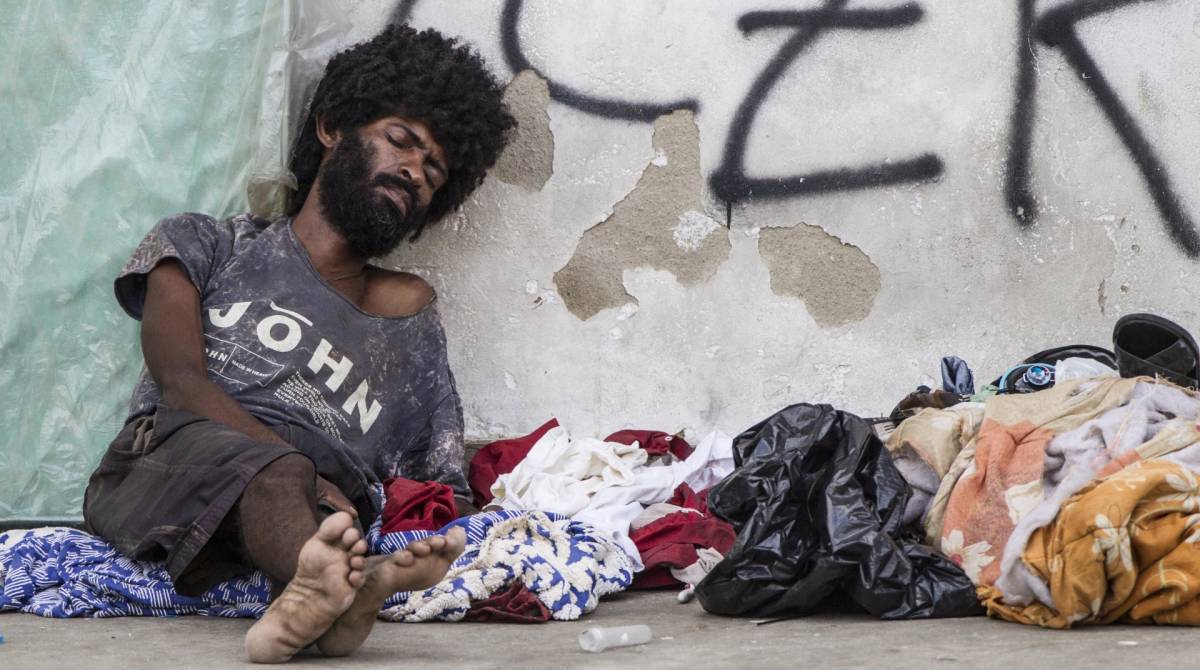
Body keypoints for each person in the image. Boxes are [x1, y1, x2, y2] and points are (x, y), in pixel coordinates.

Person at [81, 24, 515, 663]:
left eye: (433, 171)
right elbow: (180, 382)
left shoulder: (411, 318)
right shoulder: (206, 244)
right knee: (279, 472)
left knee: (313, 501)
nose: (414, 172)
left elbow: (439, 477)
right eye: (400, 140)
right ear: (332, 127)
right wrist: (301, 473)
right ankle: (340, 590)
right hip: (170, 467)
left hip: (322, 512)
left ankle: (328, 599)